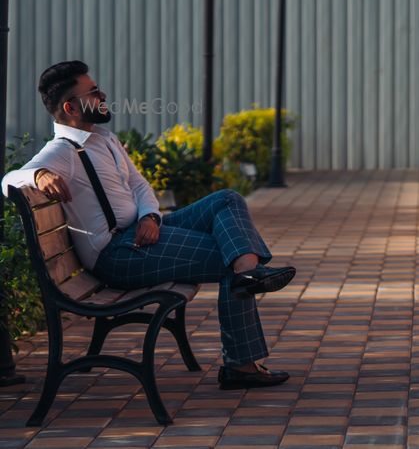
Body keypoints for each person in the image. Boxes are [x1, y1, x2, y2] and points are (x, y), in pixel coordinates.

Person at [2, 61, 297, 389]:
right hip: (119, 254)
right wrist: (38, 174)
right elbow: (9, 180)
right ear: (71, 106)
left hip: (142, 233)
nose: (102, 95)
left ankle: (247, 271)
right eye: (93, 92)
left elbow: (141, 187)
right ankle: (240, 364)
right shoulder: (63, 151)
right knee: (232, 259)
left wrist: (151, 217)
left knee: (226, 199)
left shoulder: (103, 138)